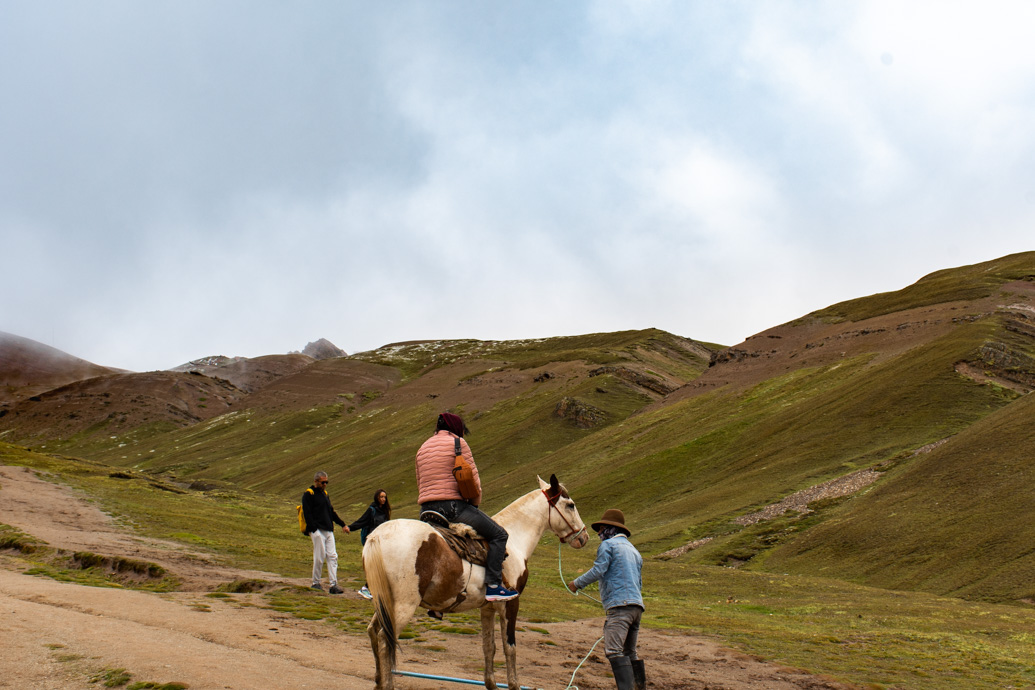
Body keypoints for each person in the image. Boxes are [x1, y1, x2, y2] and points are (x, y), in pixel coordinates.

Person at [416, 412, 518, 602]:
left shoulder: (422, 448)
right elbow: (473, 480)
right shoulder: (458, 444)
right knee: (499, 535)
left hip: (426, 511)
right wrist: (475, 504)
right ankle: (494, 585)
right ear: (456, 428)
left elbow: (420, 481)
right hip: (453, 508)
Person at [567, 509, 645, 690]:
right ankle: (639, 687)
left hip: (619, 607)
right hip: (637, 607)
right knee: (630, 652)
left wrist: (577, 584)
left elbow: (598, 570)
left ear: (609, 528)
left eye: (602, 529)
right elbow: (639, 581)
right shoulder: (634, 551)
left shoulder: (608, 546)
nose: (600, 533)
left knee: (614, 650)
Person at [301, 471, 346, 594]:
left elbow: (331, 512)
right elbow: (307, 513)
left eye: (326, 482)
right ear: (316, 481)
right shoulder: (308, 494)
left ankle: (333, 584)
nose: (325, 484)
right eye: (323, 482)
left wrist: (342, 524)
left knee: (332, 556)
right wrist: (314, 530)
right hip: (317, 530)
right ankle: (316, 582)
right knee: (319, 557)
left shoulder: (325, 494)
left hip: (328, 529)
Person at [345, 488, 391, 599]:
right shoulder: (372, 510)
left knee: (381, 566)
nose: (383, 499)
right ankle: (365, 588)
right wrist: (350, 528)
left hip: (381, 542)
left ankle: (372, 589)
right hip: (371, 541)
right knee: (374, 566)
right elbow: (362, 521)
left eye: (384, 497)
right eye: (381, 497)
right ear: (377, 497)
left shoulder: (385, 511)